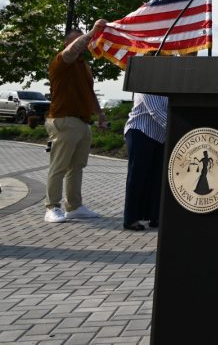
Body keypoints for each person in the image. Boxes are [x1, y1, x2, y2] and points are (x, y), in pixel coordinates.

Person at [44, 19, 109, 223]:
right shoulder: (60, 61)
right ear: (67, 44)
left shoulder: (84, 65)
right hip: (64, 120)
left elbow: (89, 92)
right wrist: (91, 32)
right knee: (59, 166)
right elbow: (72, 50)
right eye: (78, 40)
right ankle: (52, 207)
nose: (84, 44)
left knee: (77, 167)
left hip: (82, 122)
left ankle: (74, 207)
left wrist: (99, 114)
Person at [123, 92, 169, 231]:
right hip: (140, 131)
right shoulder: (146, 84)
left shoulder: (167, 84)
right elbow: (155, 111)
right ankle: (130, 219)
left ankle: (154, 217)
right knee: (137, 177)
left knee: (157, 178)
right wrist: (178, 128)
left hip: (160, 136)